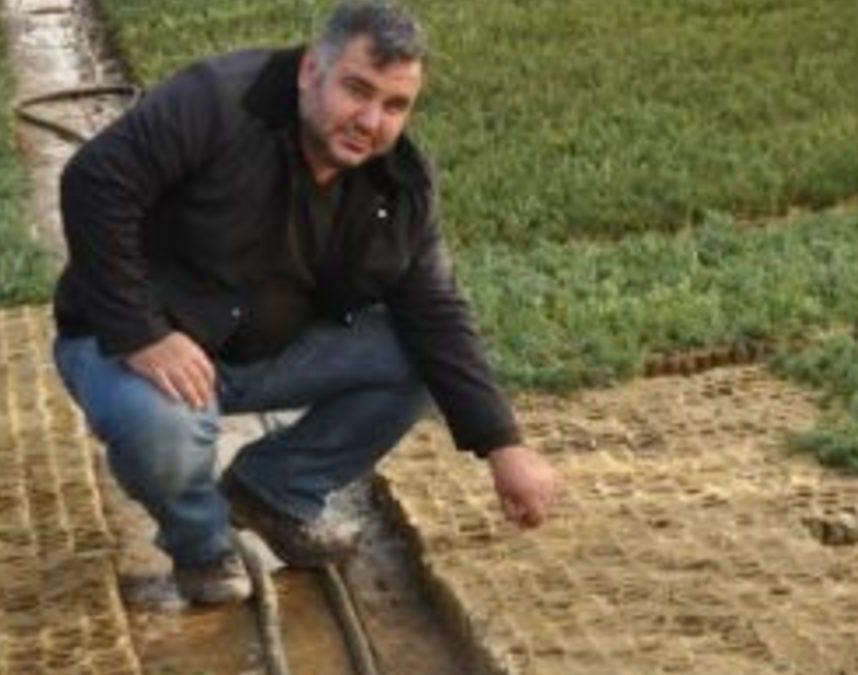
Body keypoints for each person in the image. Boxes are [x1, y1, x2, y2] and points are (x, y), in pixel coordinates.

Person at [52, 1, 558, 604]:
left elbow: (438, 314)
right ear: (310, 70)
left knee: (416, 355)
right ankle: (202, 547)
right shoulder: (217, 100)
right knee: (160, 427)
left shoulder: (398, 184)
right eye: (357, 90)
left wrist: (503, 445)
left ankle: (275, 490)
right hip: (132, 344)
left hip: (262, 350)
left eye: (394, 106)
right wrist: (141, 332)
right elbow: (94, 182)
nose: (370, 121)